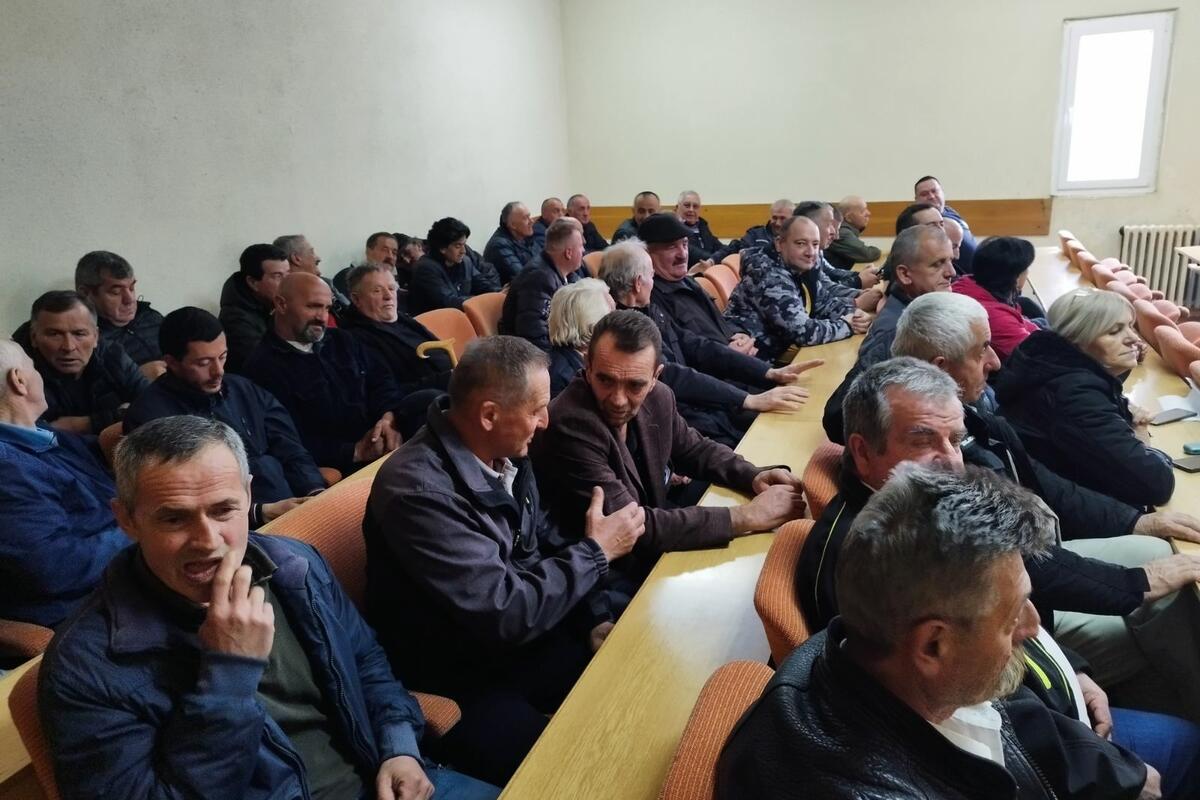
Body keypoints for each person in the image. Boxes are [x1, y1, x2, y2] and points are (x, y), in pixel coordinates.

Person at [40, 415, 499, 799]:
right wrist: (228, 675)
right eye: (174, 518)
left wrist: (399, 747)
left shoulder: (296, 566)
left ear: (248, 497)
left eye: (224, 510)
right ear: (126, 519)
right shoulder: (87, 664)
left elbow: (367, 664)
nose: (208, 541)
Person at [721, 463, 1152, 799]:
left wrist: (1120, 773)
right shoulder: (848, 780)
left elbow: (1012, 722)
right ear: (933, 645)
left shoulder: (883, 652)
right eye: (1013, 615)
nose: (1033, 626)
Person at [889, 292, 1200, 721]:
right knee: (1168, 599)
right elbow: (1019, 566)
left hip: (1038, 563)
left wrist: (1134, 521)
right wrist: (1136, 583)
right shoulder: (934, 457)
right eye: (982, 350)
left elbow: (1042, 485)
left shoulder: (960, 414)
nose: (995, 362)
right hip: (1026, 607)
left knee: (1164, 554)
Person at [364, 336, 645, 785]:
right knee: (573, 772)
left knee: (635, 659)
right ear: (489, 415)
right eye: (537, 410)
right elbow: (504, 611)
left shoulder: (505, 453)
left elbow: (545, 541)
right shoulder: (417, 492)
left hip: (517, 640)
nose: (546, 421)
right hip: (458, 671)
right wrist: (597, 552)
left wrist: (594, 618)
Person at [533, 310, 807, 571]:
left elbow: (694, 449)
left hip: (653, 532)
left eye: (635, 385)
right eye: (605, 380)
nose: (618, 399)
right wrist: (747, 516)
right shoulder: (570, 422)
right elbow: (631, 526)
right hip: (604, 572)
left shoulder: (660, 396)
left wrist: (752, 475)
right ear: (588, 368)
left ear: (655, 377)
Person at [601, 238, 818, 447]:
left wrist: (768, 373)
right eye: (651, 274)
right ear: (638, 283)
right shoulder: (626, 332)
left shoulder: (649, 311)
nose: (654, 278)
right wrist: (747, 400)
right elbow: (674, 376)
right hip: (683, 420)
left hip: (703, 404)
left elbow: (699, 347)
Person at [123, 306, 325, 525]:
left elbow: (291, 449)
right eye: (203, 363)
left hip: (289, 509)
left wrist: (314, 490)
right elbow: (180, 501)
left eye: (222, 357)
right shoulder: (150, 419)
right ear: (171, 363)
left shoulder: (243, 389)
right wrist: (258, 512)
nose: (218, 371)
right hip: (229, 528)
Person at [997, 288, 1173, 509]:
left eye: (1130, 326)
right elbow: (1155, 484)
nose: (1134, 339)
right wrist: (1143, 439)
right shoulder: (1075, 394)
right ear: (1078, 341)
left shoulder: (1049, 365)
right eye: (1114, 331)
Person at [0, 339, 130, 629]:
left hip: (120, 573)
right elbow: (53, 568)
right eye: (33, 367)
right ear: (19, 380)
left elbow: (89, 454)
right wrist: (141, 528)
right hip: (87, 611)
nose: (39, 375)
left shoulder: (34, 431)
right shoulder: (7, 469)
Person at [244, 273, 415, 476]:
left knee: (430, 402)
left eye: (327, 308)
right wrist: (356, 451)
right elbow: (287, 439)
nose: (322, 317)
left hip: (385, 438)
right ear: (281, 304)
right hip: (345, 464)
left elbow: (381, 380)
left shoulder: (342, 340)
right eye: (313, 306)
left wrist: (388, 418)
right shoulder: (262, 367)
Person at [821, 225, 956, 442]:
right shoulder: (896, 333)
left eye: (950, 261)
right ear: (904, 274)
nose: (951, 272)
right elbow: (839, 418)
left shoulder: (918, 315)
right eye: (937, 264)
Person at [724, 215, 875, 362]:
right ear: (779, 244)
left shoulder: (799, 267)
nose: (810, 252)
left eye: (815, 244)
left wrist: (855, 314)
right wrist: (847, 325)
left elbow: (823, 303)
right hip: (754, 361)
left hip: (780, 354)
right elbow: (802, 332)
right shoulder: (768, 275)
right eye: (801, 243)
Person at [19, 290, 149, 433]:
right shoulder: (16, 371)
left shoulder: (112, 355)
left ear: (95, 336)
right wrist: (121, 415)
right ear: (34, 337)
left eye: (79, 334)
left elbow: (154, 405)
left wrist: (88, 423)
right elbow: (24, 433)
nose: (68, 347)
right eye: (54, 334)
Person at [640, 213, 759, 355]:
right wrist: (729, 355)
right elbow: (680, 355)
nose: (683, 254)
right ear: (647, 253)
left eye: (684, 244)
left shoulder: (689, 282)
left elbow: (716, 324)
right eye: (671, 247)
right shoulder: (649, 299)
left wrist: (738, 334)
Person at [339, 263, 452, 405]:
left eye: (392, 288)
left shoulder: (403, 319)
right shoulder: (355, 339)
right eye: (377, 291)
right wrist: (448, 379)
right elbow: (388, 394)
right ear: (356, 299)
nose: (388, 296)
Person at [74, 250, 165, 378]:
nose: (130, 300)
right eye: (116, 292)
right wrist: (136, 378)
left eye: (131, 288)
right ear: (84, 293)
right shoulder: (82, 340)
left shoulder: (150, 317)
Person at [499, 218, 585, 350]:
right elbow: (534, 336)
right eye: (581, 246)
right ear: (568, 253)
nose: (583, 250)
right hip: (528, 354)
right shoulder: (538, 278)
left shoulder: (567, 273)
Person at [951, 236, 1041, 360]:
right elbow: (1039, 356)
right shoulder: (995, 317)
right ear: (1015, 277)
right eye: (1025, 270)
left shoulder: (968, 284)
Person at [219, 243, 290, 373]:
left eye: (288, 274)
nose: (287, 283)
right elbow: (269, 366)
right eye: (278, 276)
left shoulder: (271, 305)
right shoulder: (236, 321)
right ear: (253, 282)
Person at [407, 217, 501, 315]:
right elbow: (449, 302)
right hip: (437, 320)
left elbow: (483, 285)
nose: (463, 251)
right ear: (442, 248)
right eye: (458, 246)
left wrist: (500, 293)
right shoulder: (425, 269)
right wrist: (483, 301)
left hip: (462, 316)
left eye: (464, 245)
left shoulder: (465, 262)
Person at [547, 278, 614, 396]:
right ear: (592, 325)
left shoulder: (589, 359)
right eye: (612, 315)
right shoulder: (560, 376)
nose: (617, 323)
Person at [793, 201, 882, 290]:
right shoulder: (798, 257)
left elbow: (830, 273)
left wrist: (859, 275)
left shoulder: (816, 252)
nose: (836, 236)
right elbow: (824, 291)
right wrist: (858, 281)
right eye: (828, 225)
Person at [273, 233, 350, 318]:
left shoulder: (326, 283)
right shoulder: (282, 294)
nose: (318, 257)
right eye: (311, 252)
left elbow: (350, 312)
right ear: (296, 258)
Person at [916, 174, 978, 271]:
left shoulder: (950, 211)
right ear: (916, 200)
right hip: (955, 275)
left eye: (934, 191)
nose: (931, 196)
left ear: (942, 193)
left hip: (978, 271)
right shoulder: (919, 222)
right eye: (924, 194)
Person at [483, 201, 540, 284]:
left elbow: (545, 261)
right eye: (525, 218)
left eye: (529, 216)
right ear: (513, 225)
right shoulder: (499, 245)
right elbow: (523, 277)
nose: (531, 221)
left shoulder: (526, 237)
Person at [825, 195, 882, 269]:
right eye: (862, 211)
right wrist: (879, 251)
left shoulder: (843, 229)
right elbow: (867, 254)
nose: (868, 213)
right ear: (849, 218)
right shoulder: (841, 232)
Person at [674, 190, 724, 266]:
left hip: (708, 267)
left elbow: (718, 246)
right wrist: (714, 259)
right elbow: (692, 254)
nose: (691, 210)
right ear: (677, 207)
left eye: (695, 207)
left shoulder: (702, 226)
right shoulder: (674, 228)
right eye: (687, 205)